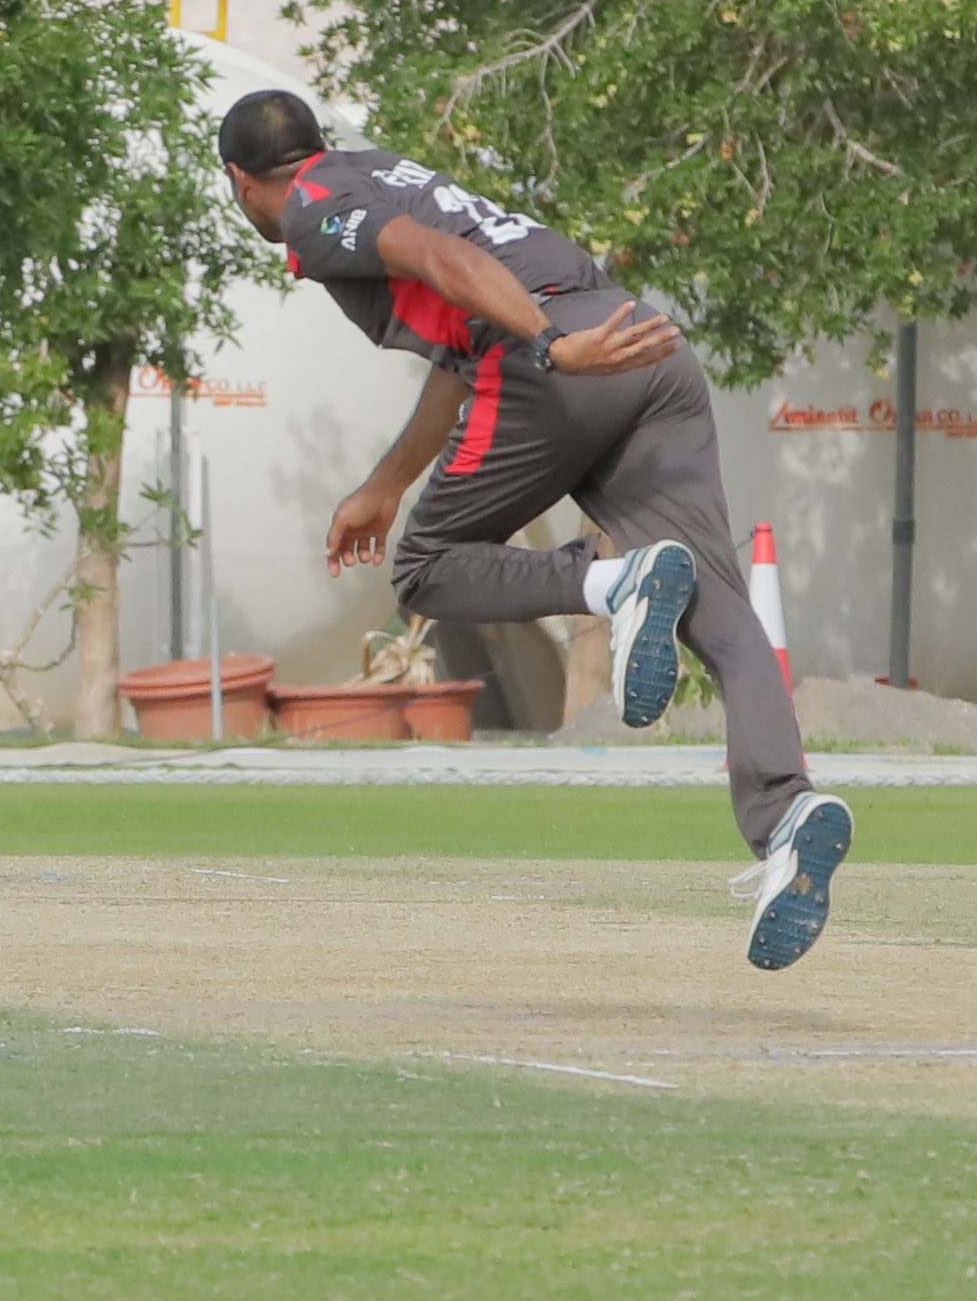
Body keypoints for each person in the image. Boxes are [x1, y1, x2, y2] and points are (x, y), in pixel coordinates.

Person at [215, 87, 846, 968]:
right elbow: (454, 341)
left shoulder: (313, 205)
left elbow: (436, 257)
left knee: (425, 570)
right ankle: (786, 813)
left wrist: (549, 345)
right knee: (723, 613)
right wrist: (386, 483)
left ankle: (614, 581)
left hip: (558, 358)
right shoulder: (377, 170)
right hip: (640, 346)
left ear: (241, 180)